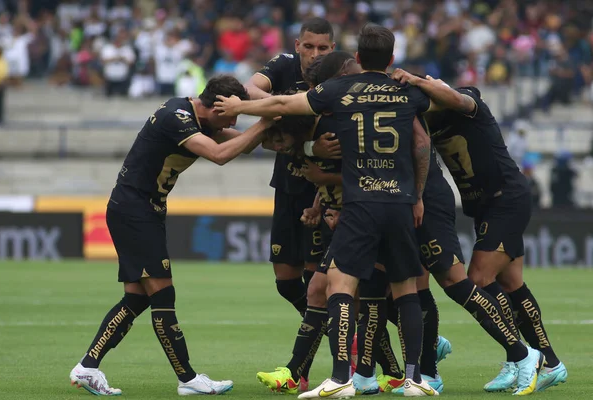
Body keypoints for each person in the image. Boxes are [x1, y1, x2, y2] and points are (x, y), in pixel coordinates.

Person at [216, 24, 439, 398]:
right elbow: (422, 142)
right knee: (406, 289)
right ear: (391, 58)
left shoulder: (339, 90)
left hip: (361, 203)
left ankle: (340, 378)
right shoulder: (407, 91)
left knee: (338, 285)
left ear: (355, 57)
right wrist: (416, 195)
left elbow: (284, 105)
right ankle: (416, 378)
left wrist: (240, 106)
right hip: (399, 202)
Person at [69, 76, 273, 396]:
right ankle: (188, 378)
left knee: (136, 299)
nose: (235, 120)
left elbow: (245, 143)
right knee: (163, 297)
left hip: (142, 210)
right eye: (232, 113)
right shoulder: (176, 117)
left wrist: (279, 126)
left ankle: (87, 367)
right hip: (134, 211)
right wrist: (265, 123)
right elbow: (221, 154)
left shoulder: (200, 118)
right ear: (215, 105)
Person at [393, 69, 567, 395]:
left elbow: (453, 96)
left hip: (506, 199)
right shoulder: (427, 119)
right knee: (512, 284)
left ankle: (522, 358)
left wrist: (418, 82)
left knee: (477, 280)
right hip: (483, 206)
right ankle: (551, 363)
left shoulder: (468, 99)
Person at [243, 18, 338, 324]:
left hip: (322, 189)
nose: (315, 53)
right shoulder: (283, 65)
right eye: (308, 46)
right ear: (297, 46)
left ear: (333, 48)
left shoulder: (339, 72)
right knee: (285, 281)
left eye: (322, 47)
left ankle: (343, 343)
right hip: (287, 182)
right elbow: (249, 88)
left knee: (319, 282)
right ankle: (328, 330)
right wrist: (283, 107)